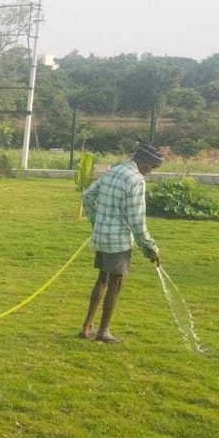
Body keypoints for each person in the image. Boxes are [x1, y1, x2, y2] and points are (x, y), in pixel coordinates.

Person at [79, 140, 164, 343]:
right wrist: (150, 247)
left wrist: (96, 221)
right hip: (118, 241)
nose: (150, 172)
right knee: (116, 283)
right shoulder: (135, 179)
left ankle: (87, 326)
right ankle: (103, 332)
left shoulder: (114, 171)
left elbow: (88, 195)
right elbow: (137, 220)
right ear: (144, 161)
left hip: (101, 236)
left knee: (102, 279)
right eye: (151, 167)